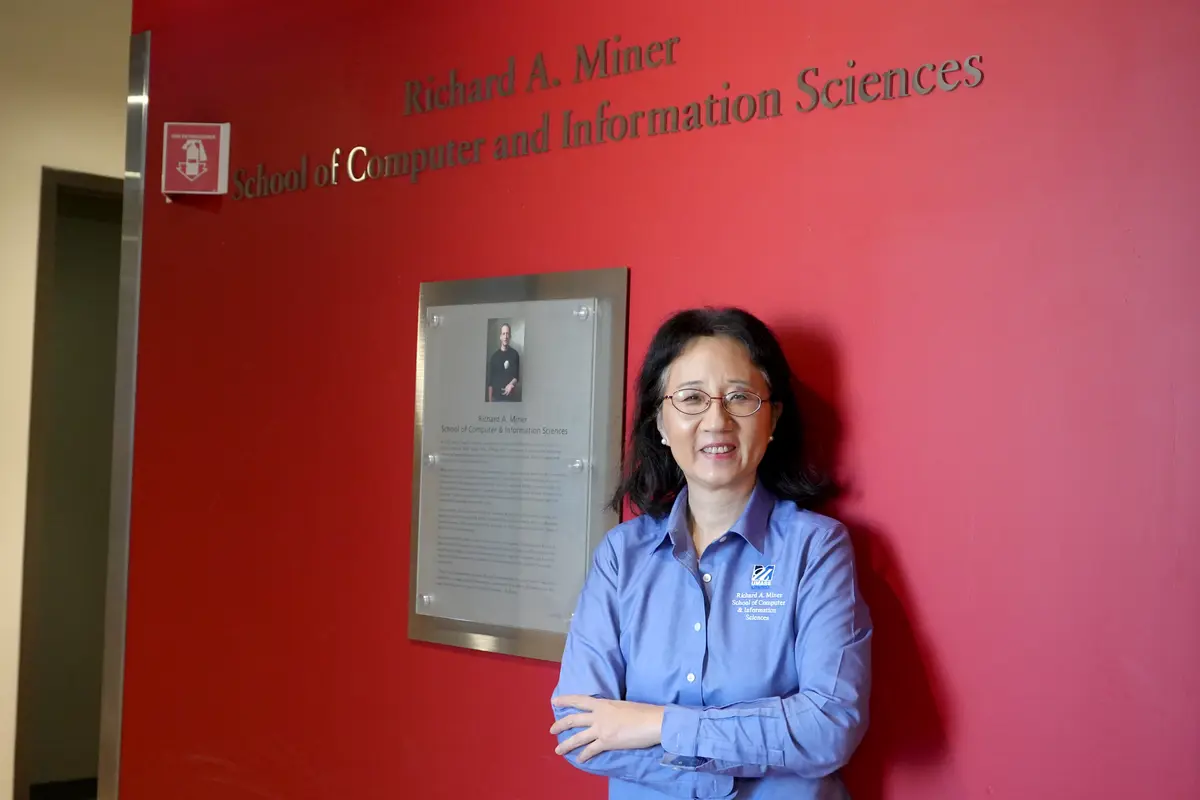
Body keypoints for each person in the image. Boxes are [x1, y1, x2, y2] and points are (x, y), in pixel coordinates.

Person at [549, 307, 872, 799]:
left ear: (773, 417)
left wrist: (658, 723)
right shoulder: (621, 556)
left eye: (740, 397)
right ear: (659, 419)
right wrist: (747, 759)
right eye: (692, 398)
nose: (716, 420)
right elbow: (579, 727)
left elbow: (829, 726)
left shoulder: (816, 549)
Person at [486, 323, 521, 402]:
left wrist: (511, 384)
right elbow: (490, 383)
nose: (505, 336)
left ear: (510, 336)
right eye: (503, 334)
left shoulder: (515, 354)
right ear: (500, 337)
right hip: (496, 399)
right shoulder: (494, 357)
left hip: (510, 400)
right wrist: (490, 402)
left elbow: (517, 377)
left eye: (507, 334)